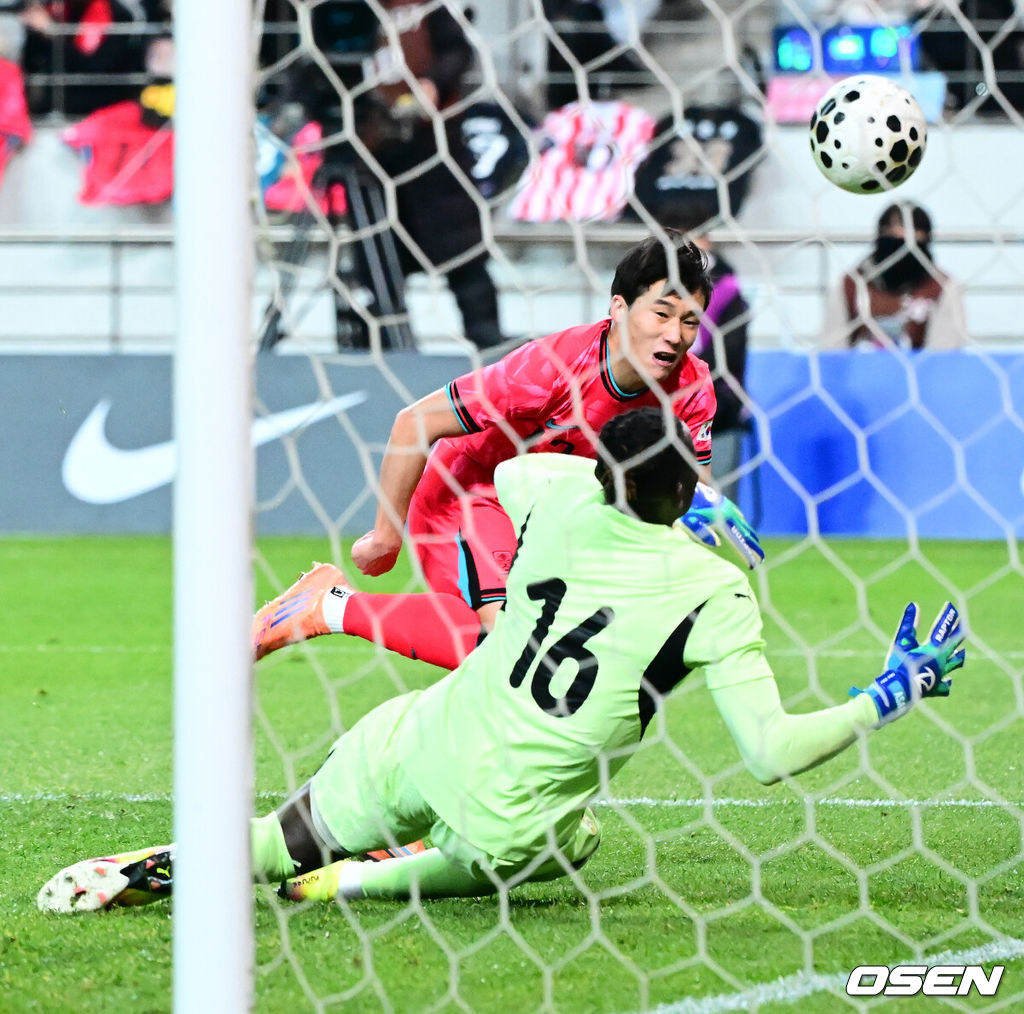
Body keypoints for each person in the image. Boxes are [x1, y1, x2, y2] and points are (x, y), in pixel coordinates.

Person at [37, 407, 967, 911]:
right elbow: (769, 752)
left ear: (606, 474)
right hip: (505, 814)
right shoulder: (713, 590)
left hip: (416, 737)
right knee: (576, 839)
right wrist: (891, 694)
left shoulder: (554, 497)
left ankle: (166, 866)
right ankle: (366, 878)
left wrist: (650, 487)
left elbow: (521, 467)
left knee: (276, 841)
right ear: (688, 489)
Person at [252, 231, 764, 675]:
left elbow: (690, 487)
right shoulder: (549, 369)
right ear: (618, 308)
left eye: (690, 321)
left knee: (557, 661)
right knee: (511, 650)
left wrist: (702, 502)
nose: (675, 335)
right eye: (662, 313)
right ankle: (330, 606)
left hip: (554, 519)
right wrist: (387, 534)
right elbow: (415, 422)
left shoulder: (693, 387)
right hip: (470, 495)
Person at [822, 202, 968, 351]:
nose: (900, 250)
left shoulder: (943, 287)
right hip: (859, 365)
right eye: (893, 238)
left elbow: (944, 354)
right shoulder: (850, 285)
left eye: (912, 240)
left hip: (922, 365)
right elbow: (832, 350)